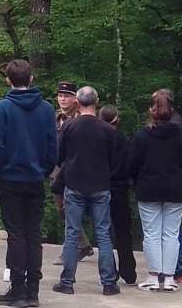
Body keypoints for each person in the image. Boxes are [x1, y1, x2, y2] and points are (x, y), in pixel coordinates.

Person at [0, 60, 56, 308]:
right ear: (31, 78)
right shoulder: (46, 110)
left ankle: (17, 289)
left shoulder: (3, 108)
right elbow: (52, 148)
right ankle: (33, 291)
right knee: (33, 233)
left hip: (10, 178)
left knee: (16, 234)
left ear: (8, 79)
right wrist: (43, 170)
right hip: (35, 178)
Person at [52, 86, 120, 297]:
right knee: (103, 234)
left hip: (74, 185)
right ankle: (109, 283)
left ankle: (67, 282)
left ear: (77, 102)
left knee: (72, 234)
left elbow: (60, 156)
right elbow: (114, 160)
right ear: (96, 102)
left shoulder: (69, 127)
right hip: (100, 185)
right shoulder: (108, 130)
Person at [128, 89, 182, 293]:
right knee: (171, 235)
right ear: (171, 109)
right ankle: (170, 277)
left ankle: (154, 277)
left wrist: (137, 181)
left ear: (151, 110)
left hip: (148, 189)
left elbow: (132, 164)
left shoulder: (141, 136)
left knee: (152, 234)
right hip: (176, 189)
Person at [50, 81, 93, 265]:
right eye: (60, 96)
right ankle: (82, 244)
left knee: (76, 206)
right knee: (62, 207)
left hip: (77, 166)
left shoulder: (82, 116)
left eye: (66, 96)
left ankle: (75, 247)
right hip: (58, 168)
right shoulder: (54, 118)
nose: (63, 99)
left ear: (75, 98)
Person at [99, 105, 137, 286]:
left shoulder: (96, 139)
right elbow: (131, 164)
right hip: (120, 188)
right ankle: (129, 271)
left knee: (103, 232)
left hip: (100, 188)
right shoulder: (124, 140)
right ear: (117, 120)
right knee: (123, 232)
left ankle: (109, 271)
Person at [165, 89, 182, 283]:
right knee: (173, 227)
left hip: (172, 181)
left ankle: (179, 268)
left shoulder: (175, 126)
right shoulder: (176, 123)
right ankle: (176, 267)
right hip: (176, 180)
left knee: (173, 228)